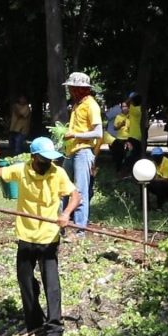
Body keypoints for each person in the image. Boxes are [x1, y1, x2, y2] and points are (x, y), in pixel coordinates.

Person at [0, 137, 80, 336]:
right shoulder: (21, 170)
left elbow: (75, 196)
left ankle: (54, 327)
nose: (48, 163)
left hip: (48, 236)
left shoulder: (57, 173)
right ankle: (35, 322)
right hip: (26, 235)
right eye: (44, 159)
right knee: (25, 280)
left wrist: (66, 214)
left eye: (50, 159)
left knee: (51, 282)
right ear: (33, 157)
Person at [61, 72, 102, 235]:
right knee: (63, 187)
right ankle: (61, 224)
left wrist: (75, 135)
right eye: (70, 88)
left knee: (80, 191)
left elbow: (98, 133)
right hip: (71, 151)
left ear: (82, 89)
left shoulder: (91, 105)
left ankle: (79, 231)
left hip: (83, 152)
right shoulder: (77, 104)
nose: (70, 91)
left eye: (73, 88)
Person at [124, 91, 144, 167]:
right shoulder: (138, 109)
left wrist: (130, 97)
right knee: (136, 153)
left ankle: (130, 168)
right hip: (137, 135)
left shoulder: (133, 109)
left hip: (132, 135)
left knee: (131, 154)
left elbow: (126, 103)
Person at [110, 101, 130, 174]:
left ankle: (127, 171)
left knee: (128, 157)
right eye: (122, 107)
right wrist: (121, 125)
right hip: (120, 139)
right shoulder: (118, 116)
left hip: (129, 139)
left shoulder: (131, 117)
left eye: (125, 106)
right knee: (119, 156)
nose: (124, 108)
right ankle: (118, 171)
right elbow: (115, 128)